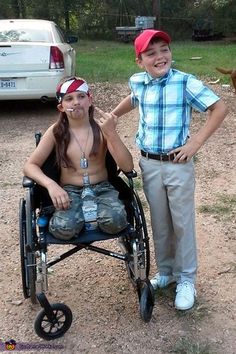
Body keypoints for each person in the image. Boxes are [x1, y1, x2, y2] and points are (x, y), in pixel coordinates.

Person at [109, 29, 228, 310]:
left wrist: (196, 142)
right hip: (149, 164)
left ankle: (187, 279)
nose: (159, 57)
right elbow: (133, 98)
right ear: (140, 61)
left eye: (164, 50)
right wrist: (113, 116)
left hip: (178, 165)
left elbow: (219, 108)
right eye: (151, 53)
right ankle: (166, 273)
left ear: (170, 53)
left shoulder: (185, 82)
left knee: (182, 223)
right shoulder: (138, 82)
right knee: (160, 222)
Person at [23, 77, 134, 240]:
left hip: (102, 188)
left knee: (116, 222)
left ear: (90, 100)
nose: (76, 102)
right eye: (69, 98)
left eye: (81, 96)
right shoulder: (56, 132)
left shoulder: (102, 129)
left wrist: (111, 133)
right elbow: (30, 166)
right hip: (69, 191)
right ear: (61, 107)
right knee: (63, 229)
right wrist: (51, 185)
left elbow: (128, 166)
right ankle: (75, 219)